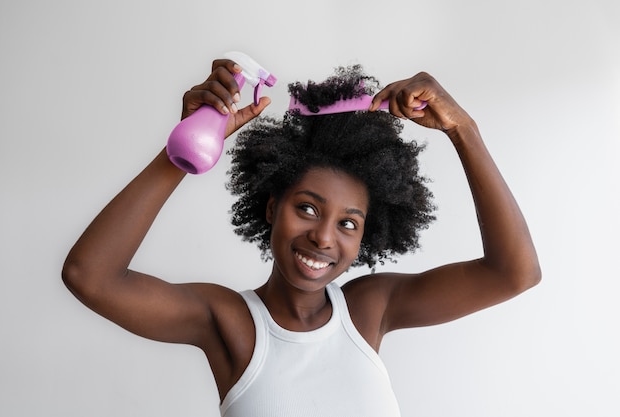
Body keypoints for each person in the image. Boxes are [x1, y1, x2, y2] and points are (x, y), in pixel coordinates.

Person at [62, 57, 541, 417]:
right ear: (273, 207)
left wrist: (464, 130)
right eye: (307, 208)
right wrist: (187, 147)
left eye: (348, 223)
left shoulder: (370, 309)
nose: (323, 238)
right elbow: (90, 276)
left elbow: (514, 273)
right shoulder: (229, 323)